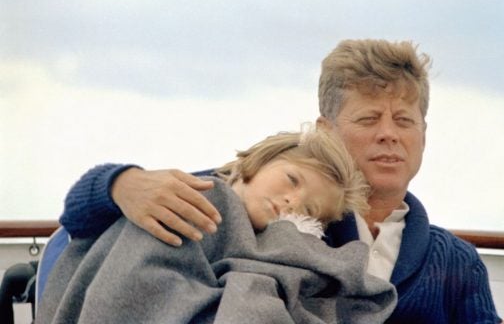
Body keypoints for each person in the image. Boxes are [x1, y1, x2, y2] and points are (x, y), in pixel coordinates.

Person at [55, 39, 504, 323]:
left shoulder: (457, 263)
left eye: (405, 120)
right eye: (368, 118)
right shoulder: (262, 201)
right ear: (325, 132)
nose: (389, 134)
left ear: (424, 135)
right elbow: (79, 216)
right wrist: (122, 183)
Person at [37, 129, 397, 324]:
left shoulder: (286, 248)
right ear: (259, 161)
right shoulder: (192, 195)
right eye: (291, 179)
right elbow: (82, 225)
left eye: (308, 210)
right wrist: (118, 182)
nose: (292, 201)